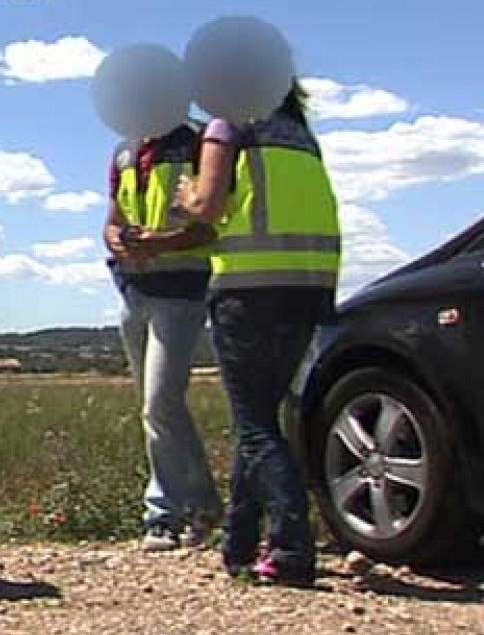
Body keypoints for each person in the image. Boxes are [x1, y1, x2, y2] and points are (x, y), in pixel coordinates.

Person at [175, 80, 340, 587]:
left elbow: (206, 206)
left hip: (249, 288)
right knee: (263, 417)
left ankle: (293, 548)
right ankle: (239, 544)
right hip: (309, 287)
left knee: (254, 424)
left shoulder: (228, 126)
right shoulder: (299, 136)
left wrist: (186, 194)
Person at [106, 122, 224, 552]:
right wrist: (118, 241)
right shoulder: (125, 151)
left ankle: (169, 512)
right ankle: (195, 507)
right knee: (153, 409)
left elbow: (212, 222)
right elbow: (113, 218)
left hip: (182, 291)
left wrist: (162, 243)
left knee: (161, 402)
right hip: (134, 292)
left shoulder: (199, 142)